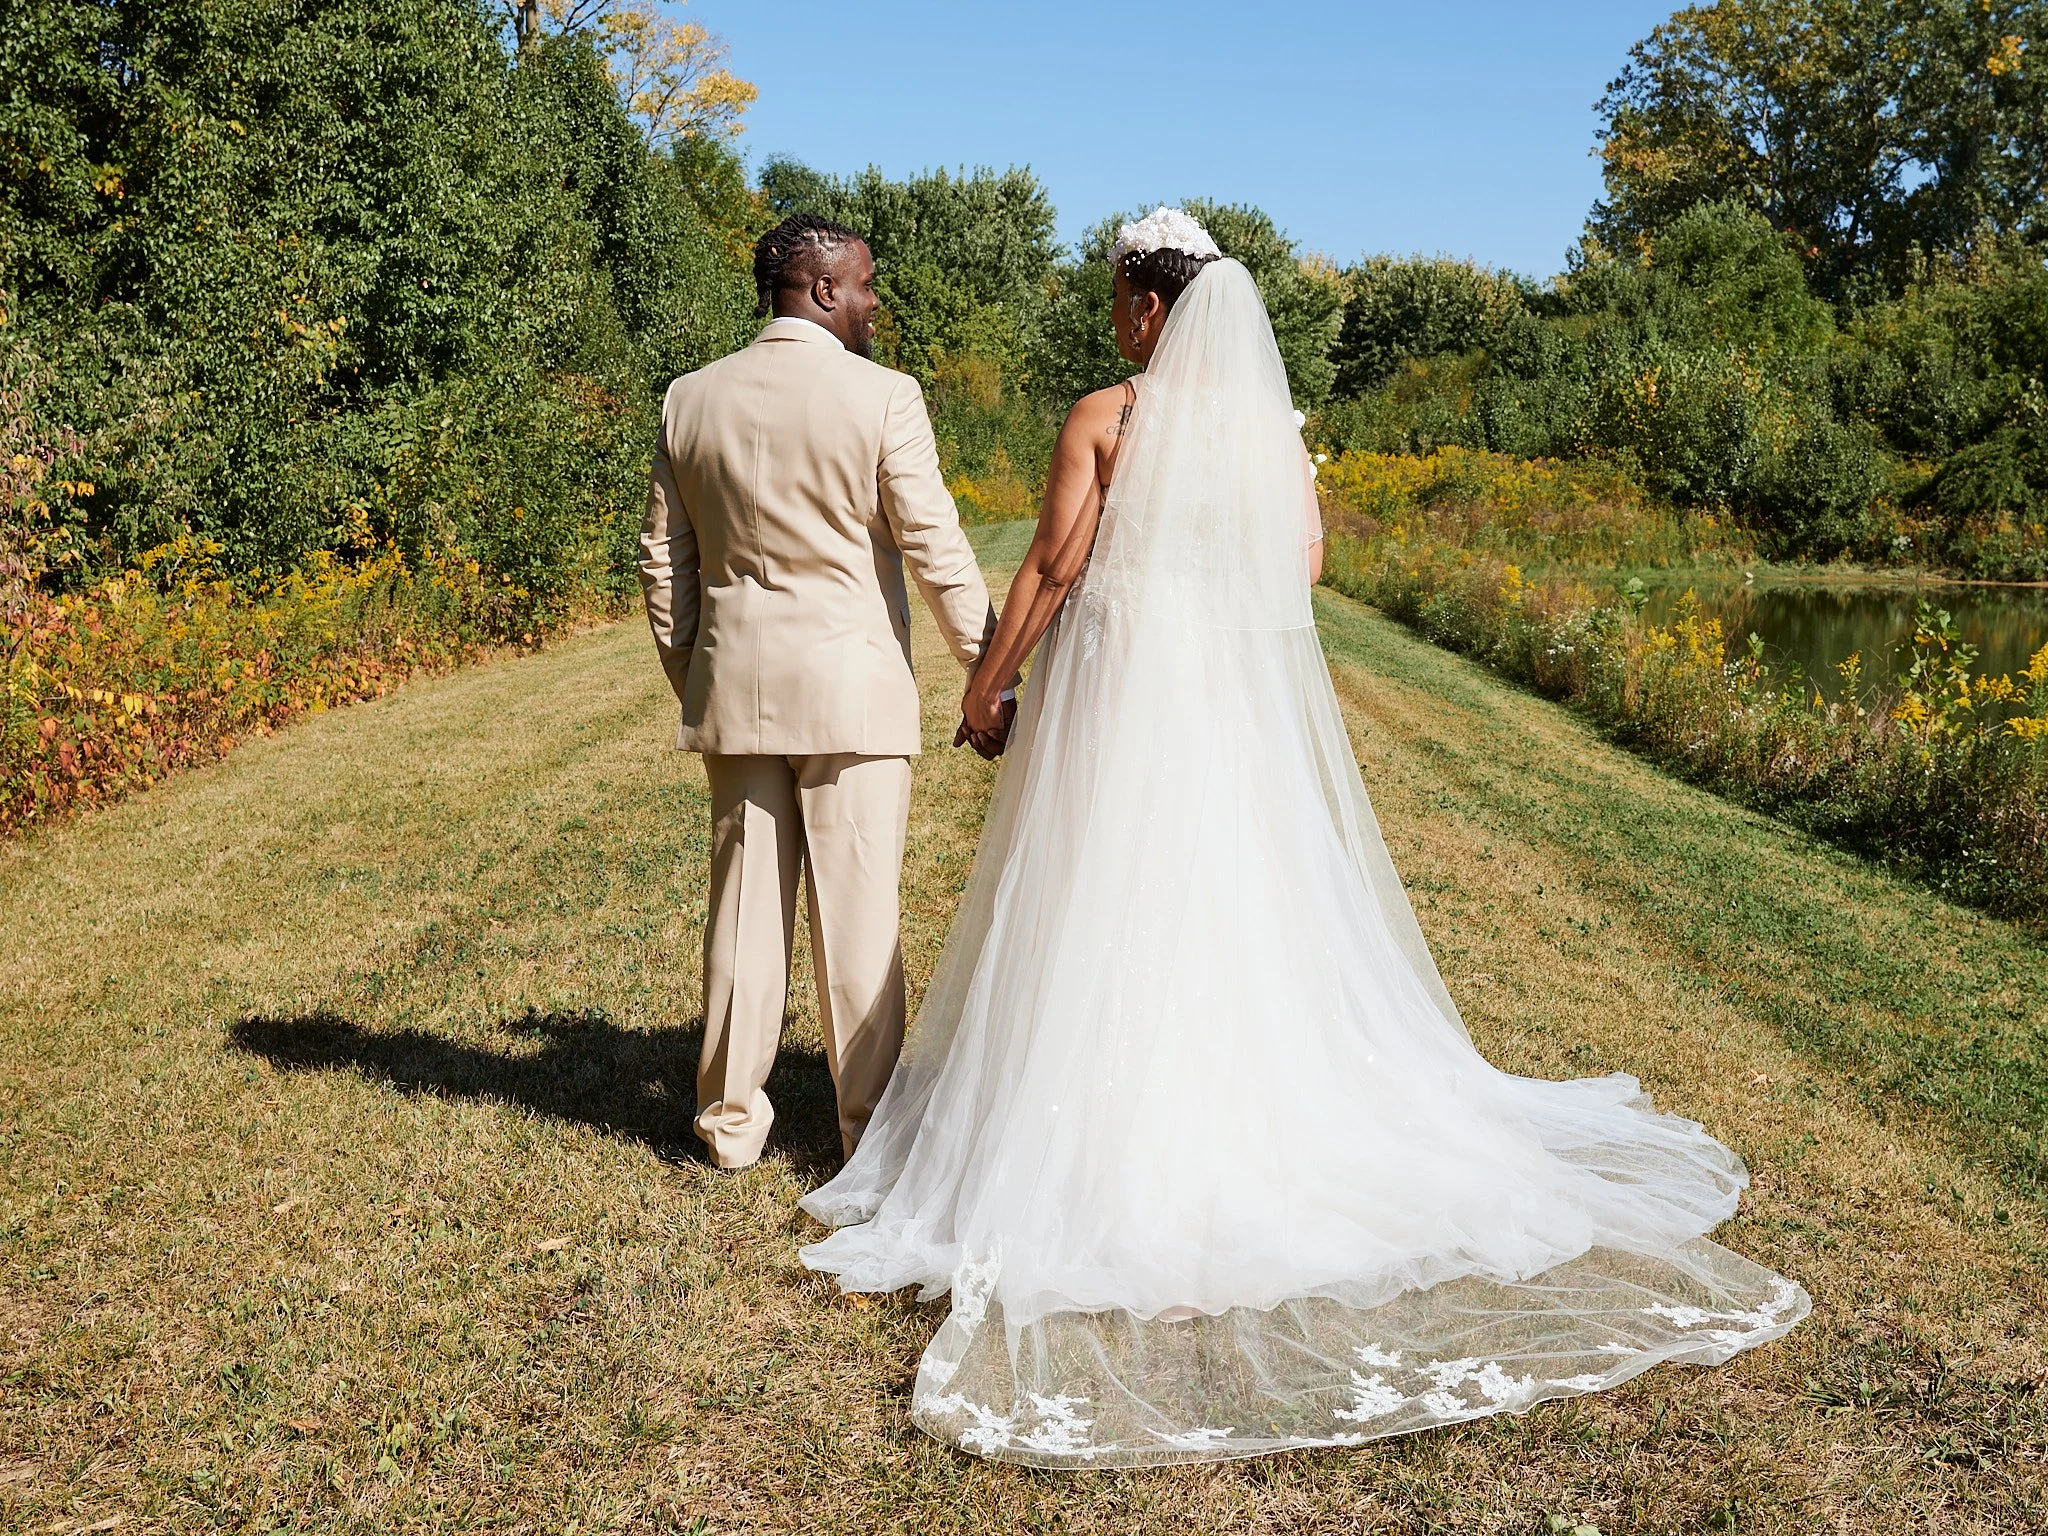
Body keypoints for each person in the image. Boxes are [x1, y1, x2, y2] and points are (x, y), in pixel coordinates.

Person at [797, 208, 1808, 1467]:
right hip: (1219, 696)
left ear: (1151, 307)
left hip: (1125, 687)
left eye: (1122, 297)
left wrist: (986, 681)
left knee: (1107, 897)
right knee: (1231, 895)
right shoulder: (1265, 429)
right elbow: (1307, 562)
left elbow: (1054, 566)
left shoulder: (1110, 416)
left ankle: (1108, 1154)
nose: (1117, 318)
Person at [638, 214, 1003, 1171]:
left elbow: (663, 566)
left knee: (745, 911)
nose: (878, 301)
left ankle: (728, 1125)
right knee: (857, 916)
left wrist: (700, 673)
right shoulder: (883, 397)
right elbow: (931, 543)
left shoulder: (690, 398)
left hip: (738, 691)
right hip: (852, 695)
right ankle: (868, 1133)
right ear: (825, 289)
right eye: (868, 284)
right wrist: (987, 668)